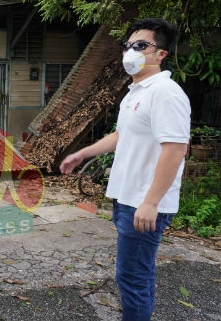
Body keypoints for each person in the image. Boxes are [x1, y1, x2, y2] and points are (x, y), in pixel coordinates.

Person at [60, 18, 190, 320]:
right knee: (138, 275)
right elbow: (120, 136)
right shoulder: (136, 93)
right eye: (128, 46)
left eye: (141, 45)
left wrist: (151, 202)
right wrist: (82, 154)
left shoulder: (165, 93)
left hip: (144, 204)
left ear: (161, 54)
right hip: (127, 199)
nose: (131, 51)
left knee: (131, 278)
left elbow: (175, 149)